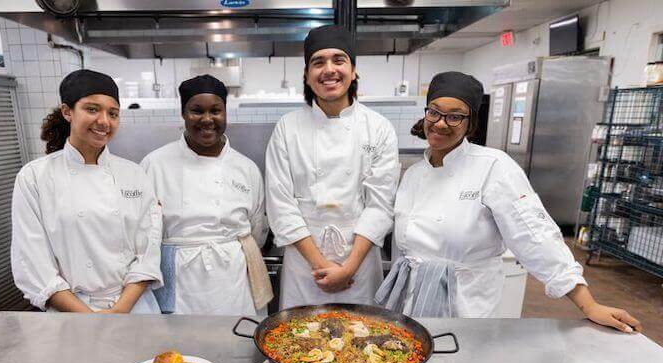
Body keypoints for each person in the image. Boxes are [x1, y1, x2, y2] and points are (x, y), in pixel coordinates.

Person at [376, 71, 641, 333]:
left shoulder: (494, 167)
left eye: (455, 116)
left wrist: (589, 305)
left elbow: (535, 236)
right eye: (434, 112)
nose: (441, 123)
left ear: (471, 123)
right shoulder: (413, 175)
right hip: (409, 305)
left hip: (465, 307)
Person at [265, 25, 400, 309]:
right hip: (305, 266)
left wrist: (347, 269)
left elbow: (380, 205)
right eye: (318, 62)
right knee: (300, 343)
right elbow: (281, 206)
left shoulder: (378, 128)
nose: (329, 69)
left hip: (359, 265)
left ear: (353, 71)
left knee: (365, 346)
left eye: (339, 60)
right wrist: (319, 264)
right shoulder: (287, 128)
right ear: (306, 75)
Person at [11, 69, 163, 313]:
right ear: (67, 112)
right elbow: (32, 262)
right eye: (92, 109)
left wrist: (119, 311)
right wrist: (89, 318)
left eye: (113, 113)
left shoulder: (134, 174)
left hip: (134, 309)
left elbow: (149, 251)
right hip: (69, 313)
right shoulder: (34, 177)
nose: (104, 121)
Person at [140, 75, 270, 315]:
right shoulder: (154, 164)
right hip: (179, 279)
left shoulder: (246, 168)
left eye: (216, 111)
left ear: (226, 113)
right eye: (197, 111)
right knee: (179, 347)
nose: (207, 119)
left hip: (233, 276)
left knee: (235, 340)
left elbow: (257, 229)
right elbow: (144, 231)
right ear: (183, 114)